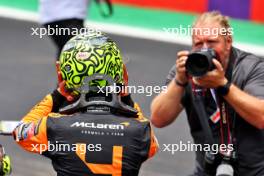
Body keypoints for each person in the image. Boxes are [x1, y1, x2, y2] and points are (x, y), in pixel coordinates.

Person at [13, 32, 158, 176]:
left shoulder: (54, 126)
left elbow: (20, 132)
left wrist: (57, 95)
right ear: (122, 74)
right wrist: (126, 97)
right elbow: (150, 143)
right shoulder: (140, 130)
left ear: (62, 75)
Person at [151, 11, 264, 176]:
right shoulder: (186, 69)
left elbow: (261, 117)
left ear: (228, 42)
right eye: (198, 43)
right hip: (207, 169)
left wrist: (223, 85)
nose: (205, 49)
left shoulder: (251, 68)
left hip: (254, 171)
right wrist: (180, 81)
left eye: (212, 42)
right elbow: (158, 119)